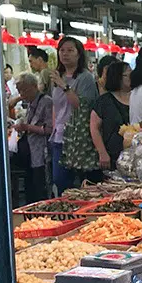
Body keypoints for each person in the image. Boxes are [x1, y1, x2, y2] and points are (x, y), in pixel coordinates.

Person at [50, 36, 98, 193]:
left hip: (78, 138)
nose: (65, 54)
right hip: (59, 136)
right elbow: (55, 106)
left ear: (79, 54)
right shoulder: (57, 76)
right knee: (59, 179)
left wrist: (64, 86)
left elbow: (81, 105)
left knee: (79, 180)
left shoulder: (85, 78)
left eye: (70, 50)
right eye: (62, 50)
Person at [14, 72, 52, 204]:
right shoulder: (30, 103)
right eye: (19, 90)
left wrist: (27, 127)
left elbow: (49, 129)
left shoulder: (46, 102)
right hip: (31, 152)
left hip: (42, 152)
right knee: (30, 186)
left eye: (24, 90)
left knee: (40, 188)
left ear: (34, 86)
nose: (21, 94)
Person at [90, 61, 131, 170]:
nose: (132, 77)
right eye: (128, 75)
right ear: (118, 77)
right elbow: (94, 128)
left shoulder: (138, 98)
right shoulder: (104, 101)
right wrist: (102, 152)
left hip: (135, 155)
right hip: (112, 156)